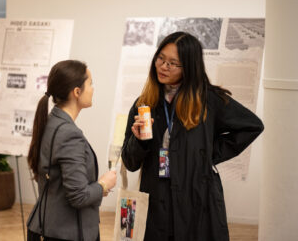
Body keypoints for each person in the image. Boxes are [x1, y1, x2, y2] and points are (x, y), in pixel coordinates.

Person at [121, 31, 264, 241]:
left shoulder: (208, 100)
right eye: (160, 58)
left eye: (173, 63)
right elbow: (130, 162)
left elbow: (252, 126)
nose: (163, 66)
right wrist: (139, 141)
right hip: (156, 200)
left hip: (197, 198)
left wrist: (208, 154)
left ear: (189, 67)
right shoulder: (145, 102)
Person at [27, 60, 117, 241]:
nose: (93, 89)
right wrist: (103, 184)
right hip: (65, 232)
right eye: (90, 84)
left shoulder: (51, 121)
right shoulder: (69, 133)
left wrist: (97, 188)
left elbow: (60, 182)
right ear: (77, 92)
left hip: (45, 227)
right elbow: (78, 196)